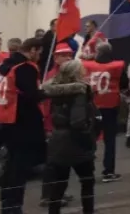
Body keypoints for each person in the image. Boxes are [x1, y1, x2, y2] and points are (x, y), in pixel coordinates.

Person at [0, 37, 45, 214]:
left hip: (6, 119)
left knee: (10, 166)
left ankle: (7, 204)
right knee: (19, 168)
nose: (39, 56)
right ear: (32, 50)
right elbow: (31, 95)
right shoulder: (25, 68)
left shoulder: (6, 65)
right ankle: (14, 207)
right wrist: (45, 92)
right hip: (22, 121)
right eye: (39, 52)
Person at [42, 59, 97, 214]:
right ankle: (88, 211)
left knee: (59, 184)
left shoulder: (55, 91)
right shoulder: (79, 92)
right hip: (77, 142)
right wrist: (89, 131)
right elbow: (78, 121)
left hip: (58, 139)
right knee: (87, 182)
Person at [81, 42, 126, 183]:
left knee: (90, 139)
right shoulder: (117, 67)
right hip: (110, 106)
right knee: (110, 140)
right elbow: (124, 84)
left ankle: (87, 170)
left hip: (92, 106)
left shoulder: (88, 66)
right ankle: (108, 171)